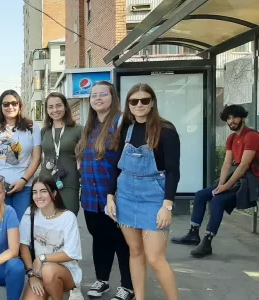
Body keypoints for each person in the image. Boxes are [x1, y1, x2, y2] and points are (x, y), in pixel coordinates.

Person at [106, 84, 180, 300]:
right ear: (128, 104)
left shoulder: (166, 130)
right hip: (126, 195)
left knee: (156, 258)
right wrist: (111, 196)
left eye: (144, 100)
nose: (139, 105)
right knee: (135, 252)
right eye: (134, 101)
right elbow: (115, 166)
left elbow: (174, 172)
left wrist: (167, 206)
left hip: (154, 197)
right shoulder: (125, 128)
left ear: (152, 102)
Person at [172, 104, 259, 258]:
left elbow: (244, 165)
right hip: (237, 178)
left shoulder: (251, 136)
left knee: (217, 200)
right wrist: (220, 185)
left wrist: (226, 186)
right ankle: (193, 234)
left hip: (250, 180)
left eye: (235, 117)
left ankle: (207, 241)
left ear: (243, 118)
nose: (231, 121)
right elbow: (227, 163)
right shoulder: (232, 138)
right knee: (201, 195)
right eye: (228, 118)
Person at [75, 81, 134, 300]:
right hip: (91, 198)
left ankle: (128, 286)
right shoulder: (90, 127)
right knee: (100, 239)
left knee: (121, 241)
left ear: (113, 97)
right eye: (94, 95)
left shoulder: (121, 122)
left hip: (115, 196)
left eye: (103, 94)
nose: (98, 98)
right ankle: (102, 280)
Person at [0, 90, 42, 221]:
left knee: (23, 226)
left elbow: (36, 158)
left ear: (20, 105)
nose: (10, 107)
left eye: (14, 103)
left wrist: (23, 180)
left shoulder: (32, 127)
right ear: (0, 107)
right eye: (6, 104)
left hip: (24, 187)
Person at [20, 177, 84, 300]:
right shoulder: (30, 213)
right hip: (38, 273)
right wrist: (31, 276)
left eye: (44, 191)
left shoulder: (68, 218)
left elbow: (71, 254)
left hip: (66, 272)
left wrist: (42, 258)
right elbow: (23, 245)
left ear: (54, 193)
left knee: (48, 271)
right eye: (35, 192)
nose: (38, 196)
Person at [40, 92, 83, 215]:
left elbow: (85, 157)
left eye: (58, 105)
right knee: (47, 219)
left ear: (65, 106)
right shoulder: (44, 131)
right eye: (51, 107)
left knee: (68, 218)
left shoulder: (78, 129)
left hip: (69, 182)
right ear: (47, 110)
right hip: (46, 182)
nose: (55, 110)